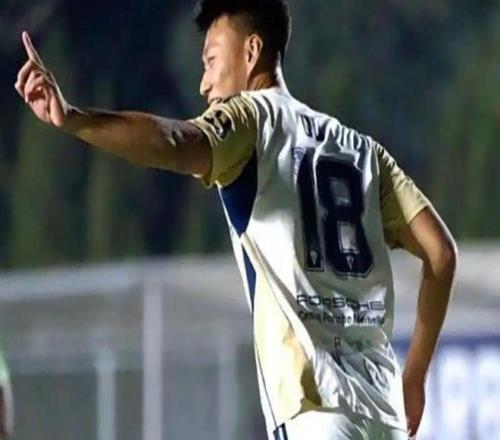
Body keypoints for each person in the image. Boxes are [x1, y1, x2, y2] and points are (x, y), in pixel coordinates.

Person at [14, 0, 457, 438]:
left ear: (251, 51)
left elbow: (174, 141)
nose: (204, 83)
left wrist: (74, 118)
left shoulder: (250, 118)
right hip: (385, 414)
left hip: (316, 411)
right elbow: (440, 254)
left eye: (210, 61)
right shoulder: (363, 150)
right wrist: (415, 376)